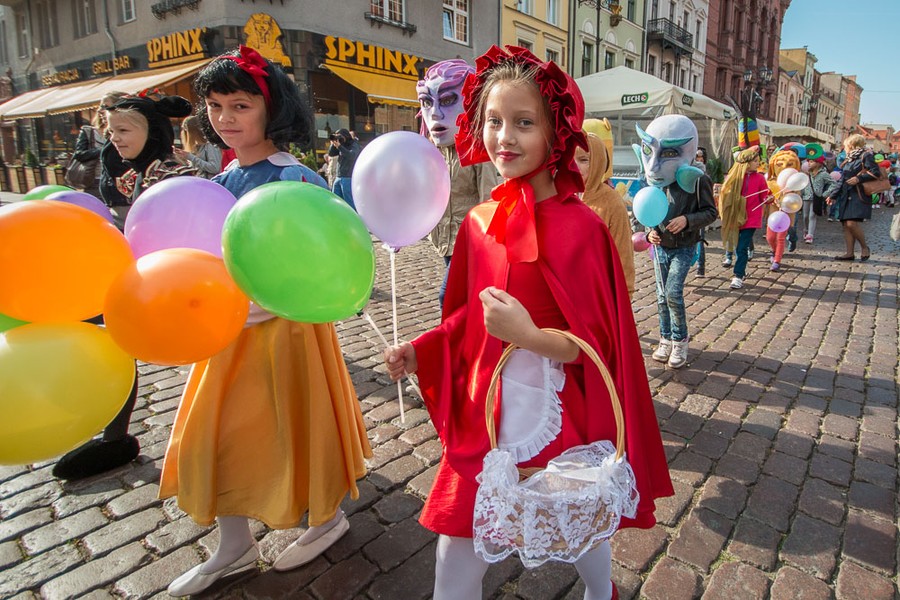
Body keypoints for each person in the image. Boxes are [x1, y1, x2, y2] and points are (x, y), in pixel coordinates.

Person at [384, 45, 672, 600]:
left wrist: (531, 337)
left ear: (555, 132)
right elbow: (470, 314)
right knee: (457, 536)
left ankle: (599, 591)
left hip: (555, 408)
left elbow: (599, 343)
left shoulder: (583, 228)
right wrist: (424, 348)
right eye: (493, 121)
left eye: (523, 123)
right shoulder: (477, 221)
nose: (504, 137)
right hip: (485, 412)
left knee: (576, 514)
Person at [160, 46, 369, 597]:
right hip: (225, 334)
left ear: (270, 108)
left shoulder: (294, 177)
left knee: (290, 428)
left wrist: (257, 305)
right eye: (215, 106)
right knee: (214, 434)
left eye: (240, 105)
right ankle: (233, 544)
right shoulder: (223, 176)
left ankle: (325, 517)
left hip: (283, 336)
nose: (225, 118)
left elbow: (319, 264)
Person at [51, 93, 197, 481]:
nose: (115, 137)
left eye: (125, 129)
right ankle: (114, 435)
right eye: (111, 130)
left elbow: (188, 227)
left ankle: (205, 434)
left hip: (173, 284)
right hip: (132, 277)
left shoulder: (172, 172)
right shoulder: (126, 170)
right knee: (113, 340)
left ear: (152, 131)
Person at [635, 115, 717, 368]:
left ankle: (680, 342)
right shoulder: (652, 178)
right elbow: (646, 208)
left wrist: (687, 220)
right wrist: (650, 232)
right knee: (660, 295)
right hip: (661, 246)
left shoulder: (698, 179)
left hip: (684, 245)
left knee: (672, 293)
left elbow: (711, 212)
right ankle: (665, 339)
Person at [417, 59, 499, 308]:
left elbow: (489, 199)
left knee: (448, 296)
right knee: (463, 296)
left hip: (470, 241)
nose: (436, 113)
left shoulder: (478, 150)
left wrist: (488, 244)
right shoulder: (432, 151)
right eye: (427, 102)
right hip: (444, 239)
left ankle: (451, 341)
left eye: (449, 100)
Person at [575, 128, 635, 297]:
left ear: (597, 162)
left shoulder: (612, 201)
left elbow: (623, 253)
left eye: (583, 160)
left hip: (598, 293)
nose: (574, 166)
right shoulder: (560, 196)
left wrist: (625, 294)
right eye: (570, 159)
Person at [718, 146, 769, 289]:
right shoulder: (733, 177)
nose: (757, 163)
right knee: (735, 245)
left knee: (741, 247)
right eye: (755, 161)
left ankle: (738, 275)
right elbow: (725, 194)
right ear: (746, 162)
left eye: (758, 161)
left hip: (752, 217)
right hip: (735, 216)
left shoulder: (759, 178)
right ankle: (739, 268)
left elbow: (764, 196)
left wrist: (769, 198)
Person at [830, 134, 876, 261]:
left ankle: (864, 247)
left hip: (858, 194)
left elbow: (875, 172)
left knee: (851, 223)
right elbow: (842, 179)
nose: (844, 148)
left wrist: (859, 178)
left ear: (851, 145)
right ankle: (849, 253)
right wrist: (833, 195)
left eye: (846, 145)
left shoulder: (866, 156)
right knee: (845, 224)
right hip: (846, 194)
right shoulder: (849, 159)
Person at [764, 148, 802, 271]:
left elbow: (796, 198)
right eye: (780, 164)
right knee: (770, 237)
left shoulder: (794, 182)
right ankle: (774, 251)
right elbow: (765, 196)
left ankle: (777, 260)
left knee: (780, 237)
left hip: (786, 214)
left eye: (789, 164)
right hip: (773, 214)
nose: (784, 167)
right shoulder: (770, 182)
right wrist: (770, 198)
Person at [800, 156, 840, 244]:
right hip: (806, 197)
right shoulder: (807, 174)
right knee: (805, 216)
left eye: (812, 162)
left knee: (812, 216)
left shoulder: (823, 174)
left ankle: (810, 235)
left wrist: (825, 194)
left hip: (816, 198)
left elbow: (834, 183)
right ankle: (805, 230)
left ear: (818, 163)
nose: (809, 163)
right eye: (808, 162)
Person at [327, 127, 361, 209]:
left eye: (340, 136)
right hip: (339, 176)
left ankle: (353, 219)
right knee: (335, 201)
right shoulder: (341, 145)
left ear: (346, 136)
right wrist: (333, 144)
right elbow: (331, 154)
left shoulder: (353, 144)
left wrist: (340, 147)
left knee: (349, 203)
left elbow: (352, 155)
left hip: (348, 177)